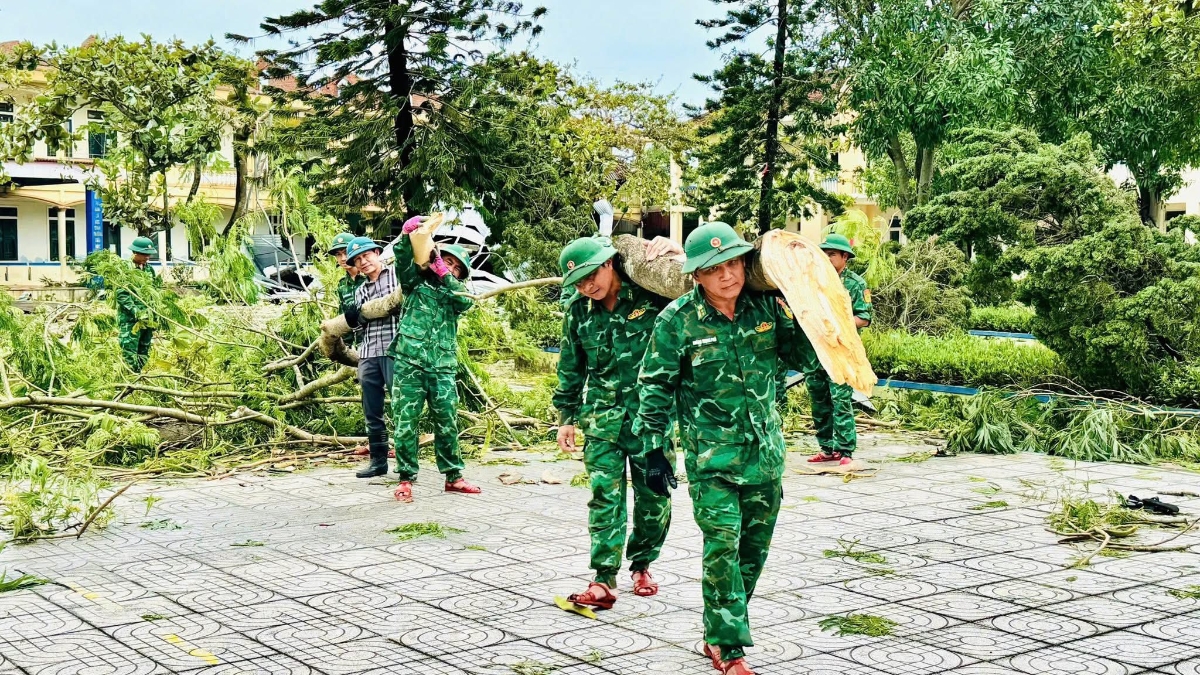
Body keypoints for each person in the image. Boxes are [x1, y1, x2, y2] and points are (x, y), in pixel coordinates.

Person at [635, 222, 815, 675]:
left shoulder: (766, 309)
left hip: (766, 456)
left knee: (752, 551)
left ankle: (719, 628)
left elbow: (806, 359)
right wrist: (654, 452)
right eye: (714, 269)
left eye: (733, 263)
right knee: (722, 545)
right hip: (711, 461)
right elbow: (654, 388)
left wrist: (800, 308)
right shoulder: (677, 321)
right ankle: (727, 648)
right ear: (696, 275)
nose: (728, 275)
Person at [553, 235, 682, 610]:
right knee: (604, 497)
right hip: (602, 422)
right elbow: (571, 364)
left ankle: (642, 564)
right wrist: (566, 417)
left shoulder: (651, 296)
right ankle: (603, 578)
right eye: (578, 282)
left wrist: (679, 253)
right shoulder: (579, 311)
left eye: (591, 276)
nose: (586, 286)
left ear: (609, 264)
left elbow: (693, 295)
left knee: (655, 497)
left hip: (652, 421)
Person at [388, 216, 481, 503]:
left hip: (442, 366)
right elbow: (403, 262)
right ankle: (405, 479)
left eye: (456, 267)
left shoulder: (457, 292)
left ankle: (453, 477)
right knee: (405, 421)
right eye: (448, 261)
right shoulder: (416, 282)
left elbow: (466, 300)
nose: (450, 267)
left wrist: (445, 275)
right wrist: (407, 237)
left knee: (447, 422)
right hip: (409, 363)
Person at [805, 233, 872, 465]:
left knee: (840, 399)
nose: (826, 258)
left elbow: (863, 317)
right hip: (816, 350)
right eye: (823, 254)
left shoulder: (855, 284)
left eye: (831, 254)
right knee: (818, 398)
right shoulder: (814, 282)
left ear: (845, 256)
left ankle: (845, 451)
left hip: (842, 351)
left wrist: (837, 324)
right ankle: (826, 448)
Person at [344, 236, 401, 480]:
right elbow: (359, 329)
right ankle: (378, 461)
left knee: (401, 406)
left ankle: (407, 461)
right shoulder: (360, 291)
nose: (363, 262)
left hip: (394, 350)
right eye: (357, 260)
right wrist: (354, 319)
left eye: (366, 255)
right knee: (371, 409)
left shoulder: (398, 276)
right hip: (368, 354)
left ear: (377, 253)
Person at [116, 236, 161, 372]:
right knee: (129, 350)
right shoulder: (125, 269)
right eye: (145, 254)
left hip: (147, 318)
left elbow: (154, 291)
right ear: (135, 253)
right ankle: (129, 379)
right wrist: (136, 311)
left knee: (144, 349)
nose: (147, 257)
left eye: (149, 254)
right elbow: (121, 294)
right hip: (130, 319)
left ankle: (139, 375)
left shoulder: (149, 270)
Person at [328, 232, 365, 347]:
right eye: (339, 254)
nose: (343, 258)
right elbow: (343, 317)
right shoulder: (342, 285)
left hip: (377, 340)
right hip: (358, 345)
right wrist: (344, 347)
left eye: (346, 252)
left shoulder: (370, 277)